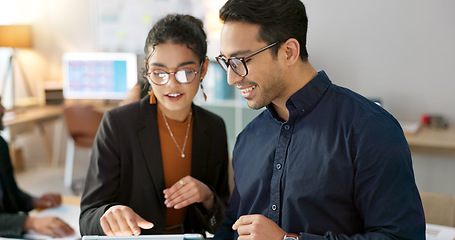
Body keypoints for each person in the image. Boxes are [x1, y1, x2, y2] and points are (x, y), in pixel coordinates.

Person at [213, 0, 425, 239]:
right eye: (227, 61)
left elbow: (402, 237)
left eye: (242, 61)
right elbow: (232, 227)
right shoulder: (248, 139)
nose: (231, 78)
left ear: (289, 52)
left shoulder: (370, 129)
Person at [79, 14, 230, 237]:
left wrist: (207, 197)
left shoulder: (214, 127)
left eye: (185, 71)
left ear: (204, 69)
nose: (171, 84)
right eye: (159, 72)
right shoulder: (118, 125)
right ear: (147, 70)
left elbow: (222, 221)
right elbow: (87, 218)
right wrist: (109, 215)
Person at [0, 104, 74, 238]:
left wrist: (33, 202)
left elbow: (10, 196)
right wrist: (29, 222)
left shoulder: (1, 145)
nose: (3, 109)